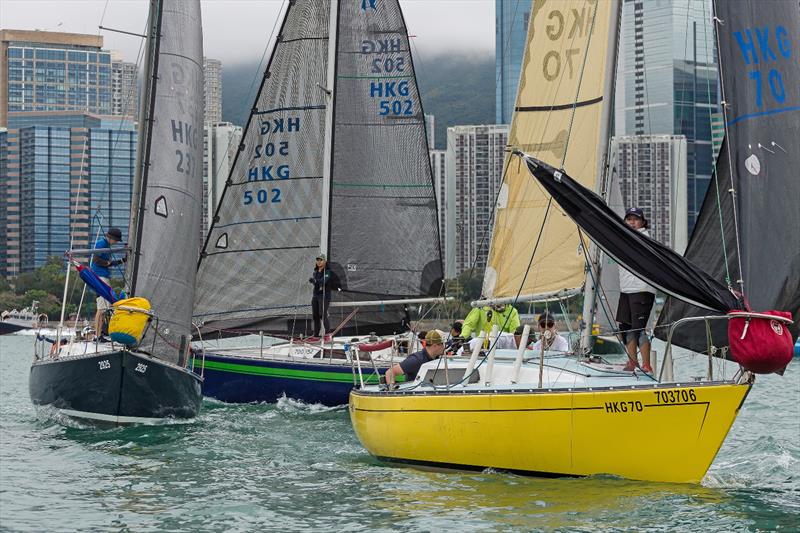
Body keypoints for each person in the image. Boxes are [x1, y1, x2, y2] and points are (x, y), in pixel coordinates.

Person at [617, 207, 657, 373]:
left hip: (642, 289)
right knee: (625, 327)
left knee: (638, 328)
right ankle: (632, 362)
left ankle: (646, 364)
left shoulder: (644, 238)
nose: (632, 222)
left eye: (636, 219)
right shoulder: (622, 238)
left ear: (642, 222)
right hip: (626, 289)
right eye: (629, 219)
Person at [90, 227, 125, 339]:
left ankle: (101, 333)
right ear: (110, 238)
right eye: (115, 240)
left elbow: (109, 263)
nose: (115, 243)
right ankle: (97, 335)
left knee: (106, 306)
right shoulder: (101, 244)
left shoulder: (107, 245)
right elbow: (96, 260)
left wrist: (123, 260)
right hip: (100, 278)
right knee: (101, 308)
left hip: (103, 277)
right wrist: (108, 263)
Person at [309, 253, 341, 336]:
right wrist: (314, 281)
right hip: (316, 295)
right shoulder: (315, 272)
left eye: (321, 260)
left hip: (324, 295)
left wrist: (315, 281)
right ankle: (316, 334)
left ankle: (327, 333)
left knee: (322, 314)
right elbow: (316, 284)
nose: (319, 262)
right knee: (315, 315)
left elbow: (323, 281)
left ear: (325, 261)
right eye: (318, 260)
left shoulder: (327, 272)